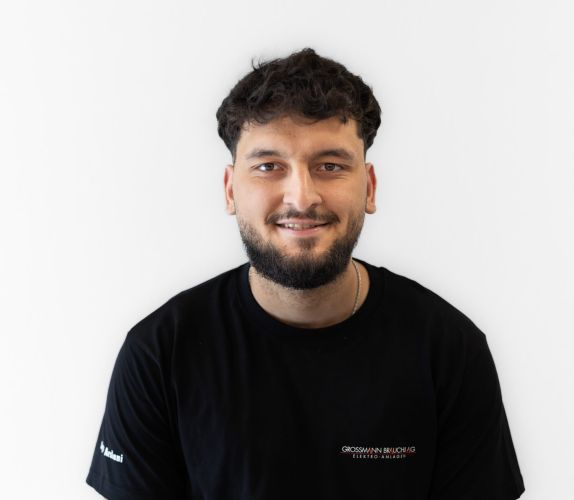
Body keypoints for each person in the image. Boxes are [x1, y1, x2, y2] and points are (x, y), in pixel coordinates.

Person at [86, 48, 525, 499]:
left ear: (369, 187)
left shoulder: (448, 349)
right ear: (230, 189)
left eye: (330, 166)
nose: (301, 197)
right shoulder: (160, 352)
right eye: (268, 167)